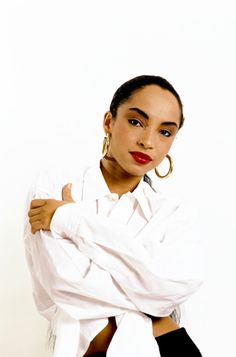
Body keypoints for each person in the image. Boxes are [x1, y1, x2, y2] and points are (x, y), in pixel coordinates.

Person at [24, 75, 203, 357]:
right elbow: (65, 283)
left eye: (165, 132)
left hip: (169, 346)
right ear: (109, 122)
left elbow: (173, 288)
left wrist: (72, 220)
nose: (147, 141)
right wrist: (145, 285)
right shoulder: (57, 184)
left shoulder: (171, 212)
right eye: (136, 122)